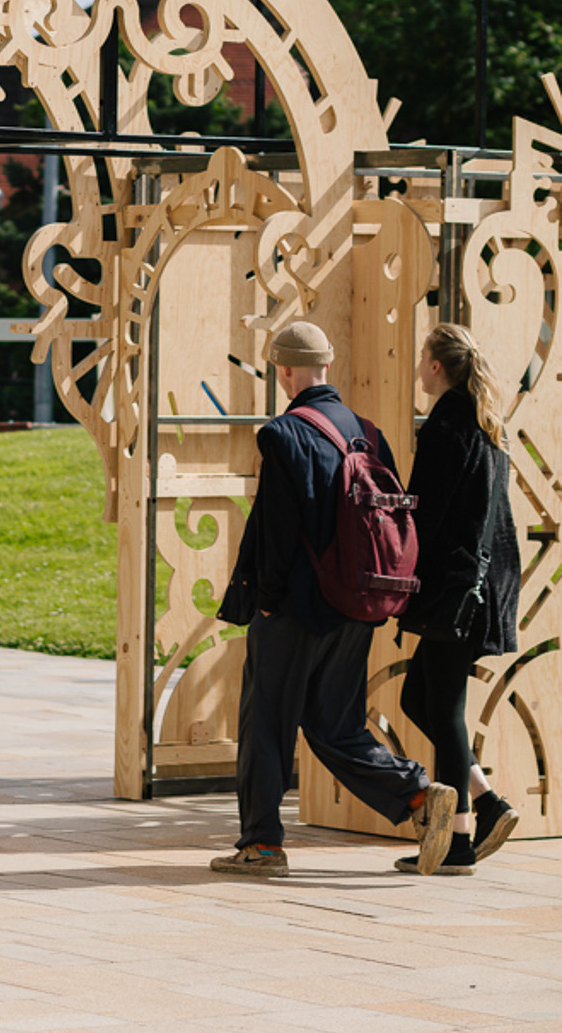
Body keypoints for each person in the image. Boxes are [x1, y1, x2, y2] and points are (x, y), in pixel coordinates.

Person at [212, 319, 455, 877]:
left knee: (266, 723)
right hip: (357, 601)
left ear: (284, 370)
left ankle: (262, 845)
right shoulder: (368, 431)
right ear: (328, 366)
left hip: (296, 607)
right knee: (335, 723)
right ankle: (418, 796)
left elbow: (276, 530)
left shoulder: (284, 432)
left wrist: (266, 599)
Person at [394, 323, 522, 877]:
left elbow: (427, 513)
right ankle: (488, 804)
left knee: (442, 709)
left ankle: (459, 840)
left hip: (457, 591)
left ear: (437, 366)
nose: (419, 366)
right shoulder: (486, 423)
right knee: (418, 699)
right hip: (482, 589)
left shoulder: (447, 426)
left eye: (423, 356)